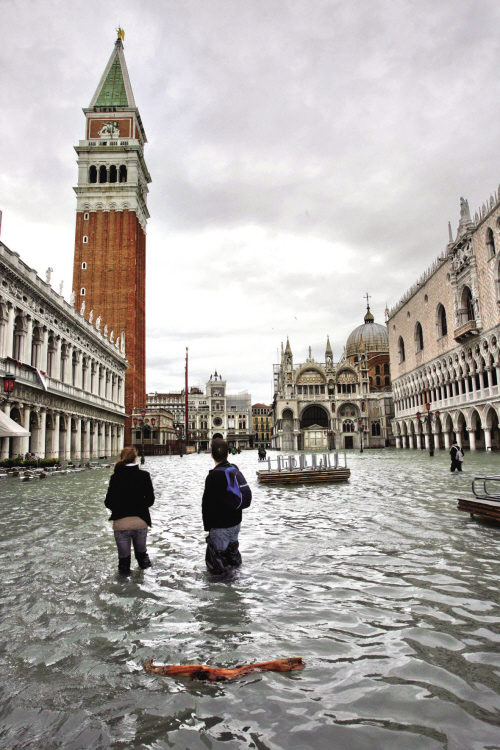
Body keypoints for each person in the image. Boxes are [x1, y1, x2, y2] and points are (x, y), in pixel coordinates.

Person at [202, 438, 252, 574]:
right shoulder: (234, 469)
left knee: (217, 566)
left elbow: (206, 505)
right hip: (236, 524)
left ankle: (226, 590)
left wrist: (208, 528)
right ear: (228, 454)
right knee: (233, 558)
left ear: (211, 455)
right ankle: (237, 584)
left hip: (220, 526)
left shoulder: (213, 476)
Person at [104, 445, 155, 575]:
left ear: (122, 458)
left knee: (124, 562)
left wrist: (120, 509)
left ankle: (123, 589)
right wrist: (139, 507)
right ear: (135, 459)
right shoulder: (144, 475)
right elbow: (150, 500)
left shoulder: (115, 477)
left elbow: (108, 502)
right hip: (140, 521)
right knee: (142, 558)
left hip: (121, 523)